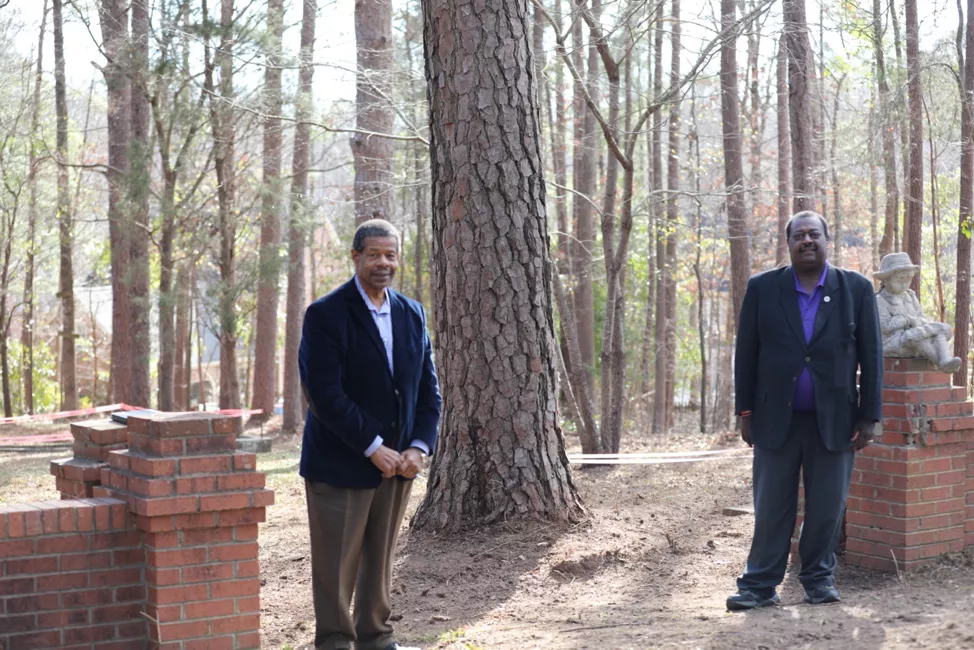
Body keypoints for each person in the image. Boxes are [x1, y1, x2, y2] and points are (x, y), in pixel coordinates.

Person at [726, 210, 883, 610]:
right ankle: (759, 586)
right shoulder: (763, 288)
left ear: (828, 240)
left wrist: (869, 416)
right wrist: (745, 412)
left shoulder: (857, 289)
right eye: (799, 235)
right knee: (772, 506)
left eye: (815, 234)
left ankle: (818, 579)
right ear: (789, 243)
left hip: (837, 422)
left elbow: (872, 356)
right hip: (774, 420)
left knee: (827, 506)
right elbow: (746, 354)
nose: (807, 240)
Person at [299, 218, 442, 650]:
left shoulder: (411, 312)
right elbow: (324, 395)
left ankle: (376, 638)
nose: (384, 263)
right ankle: (336, 641)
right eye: (375, 254)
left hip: (398, 466)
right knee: (336, 564)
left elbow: (428, 390)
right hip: (341, 462)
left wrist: (419, 446)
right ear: (356, 256)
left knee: (379, 559)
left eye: (391, 255)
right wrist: (373, 447)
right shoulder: (325, 314)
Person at [873, 251, 962, 373]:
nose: (904, 283)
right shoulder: (880, 300)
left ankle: (946, 360)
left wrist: (917, 322)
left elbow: (922, 318)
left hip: (913, 335)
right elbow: (884, 326)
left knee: (939, 331)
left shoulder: (910, 296)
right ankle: (942, 363)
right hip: (892, 341)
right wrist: (907, 320)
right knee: (919, 337)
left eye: (908, 279)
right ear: (885, 280)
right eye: (900, 279)